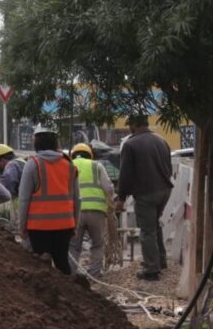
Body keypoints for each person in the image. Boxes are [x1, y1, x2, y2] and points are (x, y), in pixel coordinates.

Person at [115, 114, 173, 281]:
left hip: (147, 193)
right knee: (155, 224)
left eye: (129, 125)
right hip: (164, 190)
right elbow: (168, 168)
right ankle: (160, 260)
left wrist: (121, 198)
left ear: (133, 125)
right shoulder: (162, 141)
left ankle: (151, 269)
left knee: (147, 231)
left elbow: (125, 174)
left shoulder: (130, 144)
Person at [18, 124, 80, 275]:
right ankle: (69, 295)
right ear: (55, 141)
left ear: (37, 141)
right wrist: (75, 226)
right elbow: (77, 199)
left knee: (41, 268)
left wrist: (22, 227)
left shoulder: (33, 164)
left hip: (38, 227)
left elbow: (24, 199)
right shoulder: (69, 166)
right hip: (65, 226)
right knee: (62, 264)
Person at [68, 143, 114, 278]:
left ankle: (71, 274)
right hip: (96, 211)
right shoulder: (96, 166)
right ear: (90, 154)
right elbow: (108, 188)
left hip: (76, 212)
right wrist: (111, 202)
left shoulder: (68, 166)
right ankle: (93, 275)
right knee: (98, 244)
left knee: (74, 245)